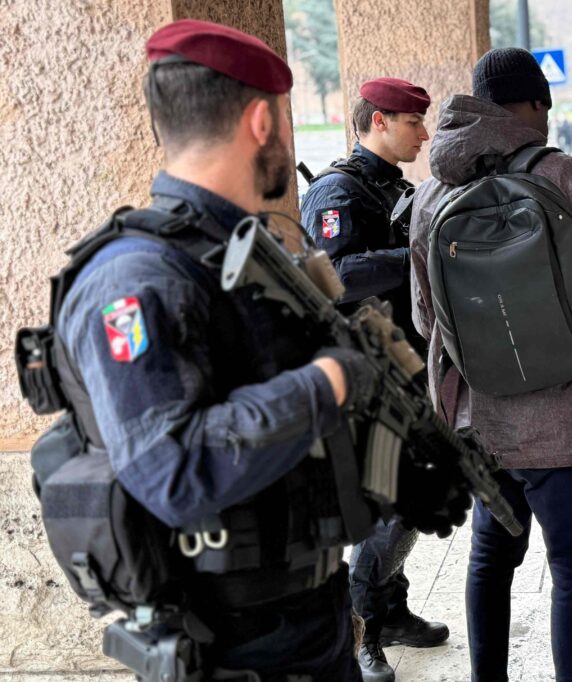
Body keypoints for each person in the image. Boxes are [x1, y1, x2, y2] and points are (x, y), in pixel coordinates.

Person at [48, 20, 464, 680]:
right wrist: (330, 380)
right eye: (284, 117)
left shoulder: (249, 254)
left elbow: (275, 427)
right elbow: (171, 470)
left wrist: (395, 480)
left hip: (309, 613)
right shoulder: (135, 279)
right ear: (261, 122)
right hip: (232, 644)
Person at [409, 47, 572, 682]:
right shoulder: (561, 175)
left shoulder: (431, 191)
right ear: (536, 105)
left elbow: (425, 320)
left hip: (481, 421)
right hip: (569, 422)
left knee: (490, 561)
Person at [300, 77, 446, 682]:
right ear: (378, 121)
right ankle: (362, 630)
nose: (424, 134)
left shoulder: (393, 186)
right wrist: (418, 253)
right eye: (413, 122)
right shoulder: (336, 191)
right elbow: (333, 277)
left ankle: (389, 610)